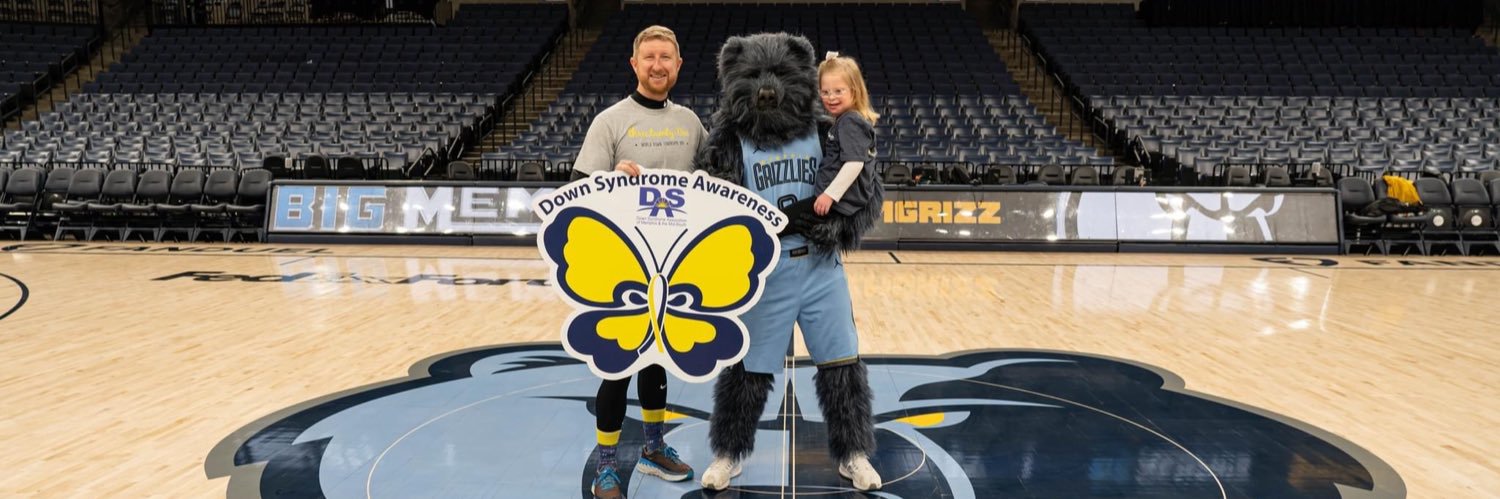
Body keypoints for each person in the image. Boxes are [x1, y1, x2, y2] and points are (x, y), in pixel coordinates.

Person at [569, 25, 706, 499]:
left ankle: (653, 447)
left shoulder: (691, 123)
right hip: (621, 267)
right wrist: (610, 178)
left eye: (666, 57)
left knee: (657, 361)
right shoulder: (610, 121)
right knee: (616, 365)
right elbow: (577, 190)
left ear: (678, 65)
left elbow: (714, 182)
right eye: (649, 57)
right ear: (634, 64)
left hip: (673, 266)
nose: (657, 65)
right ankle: (606, 466)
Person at [812, 53, 881, 218]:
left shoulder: (850, 121)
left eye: (838, 91)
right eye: (825, 92)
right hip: (836, 203)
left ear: (854, 91)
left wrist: (829, 195)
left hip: (839, 205)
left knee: (784, 221)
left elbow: (854, 164)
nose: (831, 97)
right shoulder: (844, 120)